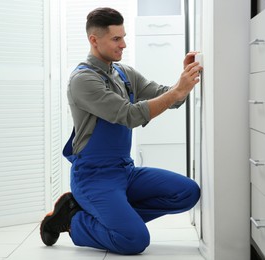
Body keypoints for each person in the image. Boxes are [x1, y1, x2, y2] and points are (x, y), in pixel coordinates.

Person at [40, 7, 202, 255]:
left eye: (123, 37)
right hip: (93, 178)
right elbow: (129, 115)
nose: (124, 44)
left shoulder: (124, 74)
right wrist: (177, 91)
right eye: (116, 38)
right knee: (134, 240)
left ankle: (112, 217)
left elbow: (169, 97)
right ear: (94, 40)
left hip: (124, 171)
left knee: (187, 192)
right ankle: (73, 220)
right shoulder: (83, 80)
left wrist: (183, 80)